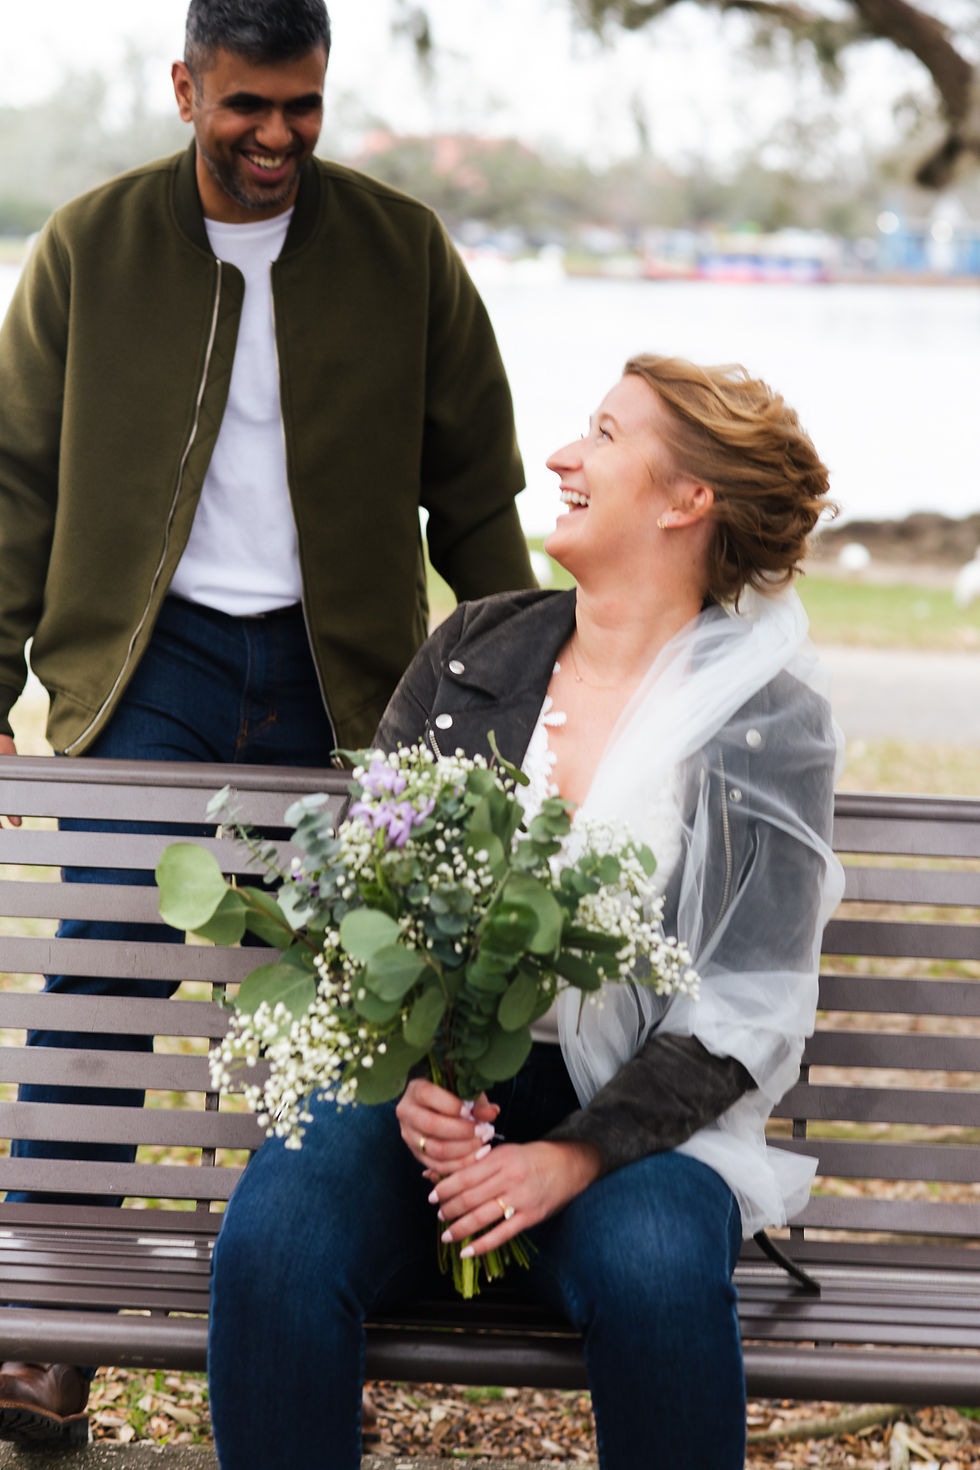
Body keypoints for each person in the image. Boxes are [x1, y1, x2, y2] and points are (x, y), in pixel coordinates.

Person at [0, 0, 533, 1445]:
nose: (277, 134)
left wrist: (527, 714)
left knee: (340, 1008)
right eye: (247, 105)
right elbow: (16, 483)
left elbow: (476, 498)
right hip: (150, 669)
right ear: (186, 88)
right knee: (100, 979)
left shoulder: (404, 251)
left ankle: (300, 1317)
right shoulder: (89, 247)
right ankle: (42, 1339)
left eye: (303, 104)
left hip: (341, 680)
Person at [206, 353, 846, 1467]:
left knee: (656, 1269)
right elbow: (362, 891)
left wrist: (571, 1157)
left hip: (643, 1118)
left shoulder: (768, 720)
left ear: (687, 499)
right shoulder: (472, 649)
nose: (560, 457)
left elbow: (745, 1008)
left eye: (602, 435)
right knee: (277, 1241)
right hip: (434, 1093)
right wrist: (413, 1077)